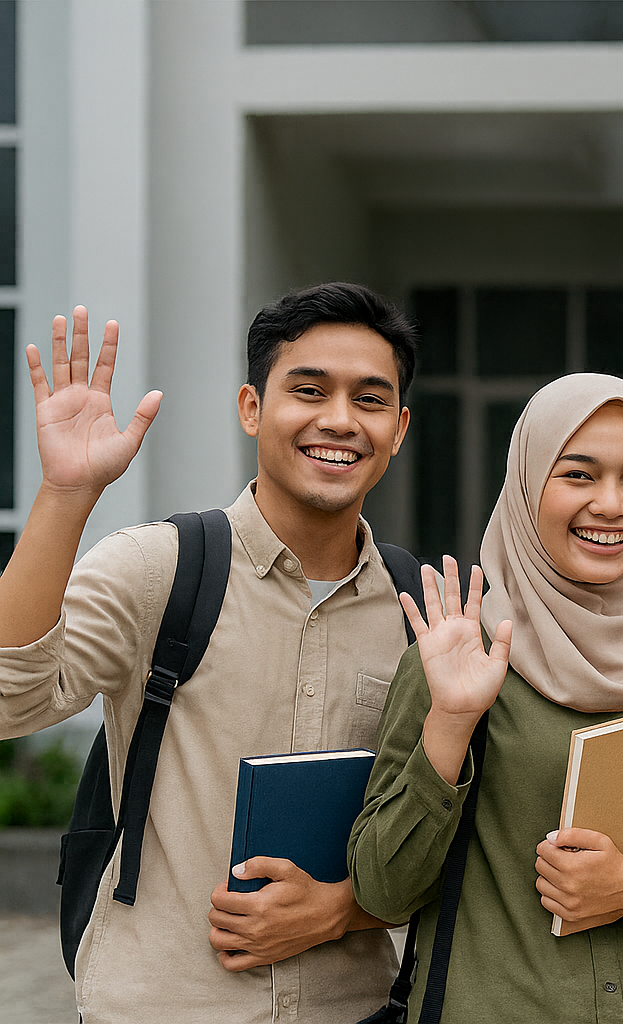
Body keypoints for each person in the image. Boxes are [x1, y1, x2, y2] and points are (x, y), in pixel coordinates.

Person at [0, 283, 420, 1022]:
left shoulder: (422, 609)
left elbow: (446, 834)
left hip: (352, 1009)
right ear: (252, 408)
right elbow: (9, 700)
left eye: (370, 399)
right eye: (309, 390)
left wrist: (342, 909)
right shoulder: (159, 568)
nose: (338, 420)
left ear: (399, 428)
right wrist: (65, 497)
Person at [348, 373, 623, 1023]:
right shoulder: (459, 658)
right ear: (526, 486)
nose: (611, 504)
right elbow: (383, 888)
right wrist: (452, 723)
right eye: (578, 475)